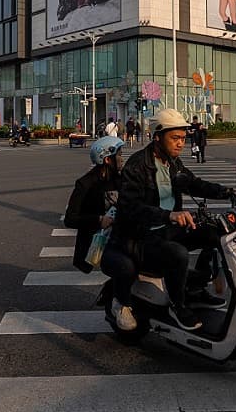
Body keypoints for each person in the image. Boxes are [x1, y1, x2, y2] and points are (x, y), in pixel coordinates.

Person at [117, 108, 236, 331]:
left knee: (214, 233)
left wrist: (229, 192)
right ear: (157, 137)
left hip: (167, 229)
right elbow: (130, 208)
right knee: (177, 254)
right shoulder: (137, 165)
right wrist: (168, 215)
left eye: (183, 138)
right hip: (141, 237)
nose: (181, 143)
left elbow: (194, 184)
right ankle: (177, 305)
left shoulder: (173, 163)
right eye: (175, 138)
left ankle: (196, 289)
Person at [63, 136, 137, 330]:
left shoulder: (122, 179)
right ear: (107, 159)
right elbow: (70, 218)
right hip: (99, 245)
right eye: (119, 155)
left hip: (122, 236)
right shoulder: (86, 184)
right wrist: (98, 220)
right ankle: (120, 303)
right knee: (125, 266)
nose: (122, 159)